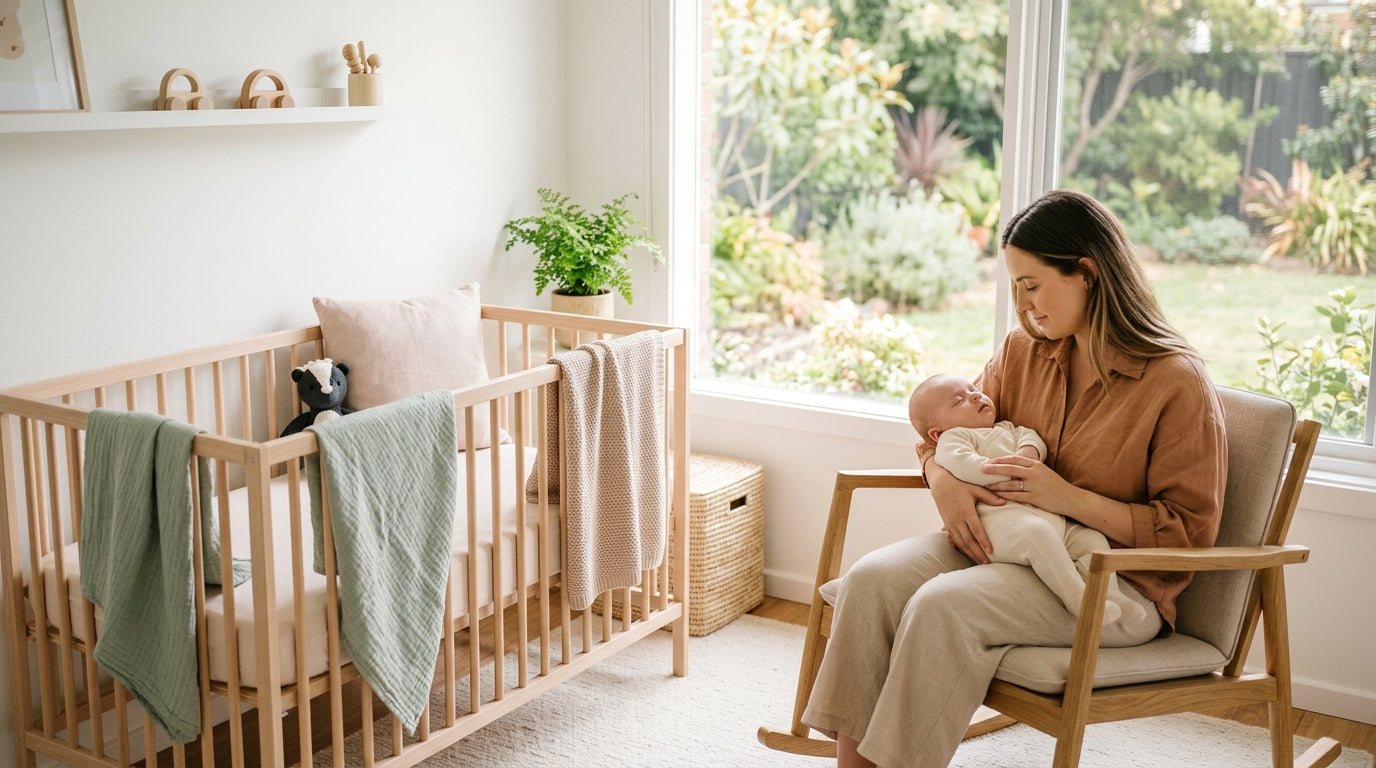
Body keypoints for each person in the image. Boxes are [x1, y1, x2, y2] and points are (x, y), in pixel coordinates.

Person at [801, 189, 1227, 768]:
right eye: (1014, 288)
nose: (1023, 305)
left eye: (1032, 285)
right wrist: (943, 482)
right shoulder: (1024, 351)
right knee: (873, 579)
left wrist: (1068, 497)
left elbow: (1187, 534)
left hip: (1110, 585)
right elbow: (944, 432)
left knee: (942, 606)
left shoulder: (1176, 382)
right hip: (1006, 546)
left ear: (1087, 274)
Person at [907, 372, 1145, 626]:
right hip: (1001, 523)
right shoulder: (955, 438)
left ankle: (1114, 597)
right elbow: (962, 464)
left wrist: (1026, 454)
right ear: (936, 434)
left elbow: (1032, 439)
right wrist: (1005, 469)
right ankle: (1077, 598)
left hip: (1053, 520)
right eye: (958, 401)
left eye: (973, 388)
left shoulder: (1006, 428)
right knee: (1038, 535)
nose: (975, 394)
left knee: (1092, 540)